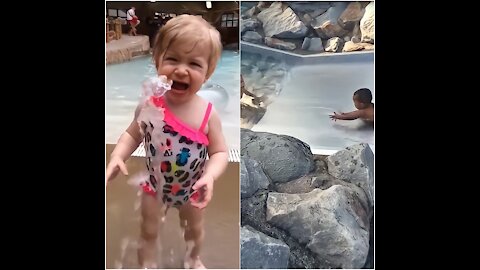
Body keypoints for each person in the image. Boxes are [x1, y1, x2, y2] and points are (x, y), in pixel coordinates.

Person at [106, 15, 228, 269]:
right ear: (157, 60)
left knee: (194, 231)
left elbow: (219, 152)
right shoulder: (151, 105)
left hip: (192, 188)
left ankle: (193, 259)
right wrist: (118, 156)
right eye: (172, 59)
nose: (181, 70)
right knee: (148, 231)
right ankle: (147, 264)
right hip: (155, 187)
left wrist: (210, 176)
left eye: (194, 64)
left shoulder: (207, 113)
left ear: (208, 73)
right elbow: (132, 134)